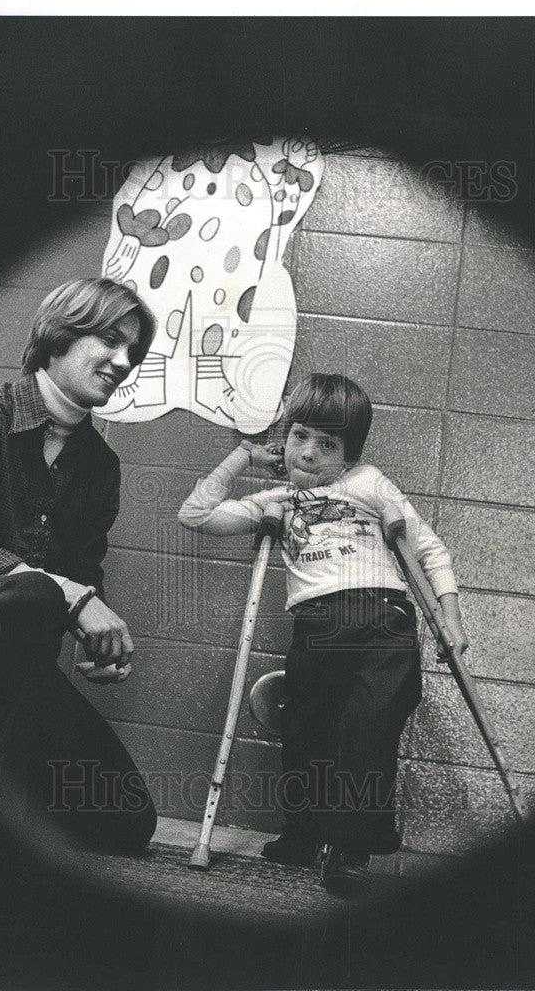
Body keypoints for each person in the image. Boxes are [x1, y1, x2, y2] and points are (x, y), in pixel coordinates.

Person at [0, 277, 158, 872]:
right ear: (58, 336)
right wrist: (73, 598)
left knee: (125, 819)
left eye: (134, 352)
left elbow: (80, 573)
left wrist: (98, 641)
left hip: (17, 669)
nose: (123, 363)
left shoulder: (100, 465)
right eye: (110, 340)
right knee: (31, 590)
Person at [179, 373, 468, 893]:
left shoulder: (368, 484)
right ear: (284, 438)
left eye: (327, 444)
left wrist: (449, 617)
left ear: (349, 455)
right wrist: (244, 456)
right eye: (299, 437)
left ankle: (351, 849)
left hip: (383, 620)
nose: (308, 454)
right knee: (306, 732)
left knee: (367, 730)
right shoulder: (276, 500)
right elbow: (195, 514)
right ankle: (308, 832)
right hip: (316, 626)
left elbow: (429, 550)